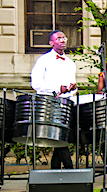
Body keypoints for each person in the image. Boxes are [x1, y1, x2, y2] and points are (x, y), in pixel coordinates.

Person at [31, 30, 77, 170]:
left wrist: (72, 88)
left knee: (62, 137)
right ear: (51, 43)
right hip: (50, 103)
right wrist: (57, 89)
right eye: (58, 38)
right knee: (59, 137)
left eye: (64, 37)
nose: (62, 40)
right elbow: (36, 84)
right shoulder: (43, 60)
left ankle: (55, 170)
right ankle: (70, 169)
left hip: (66, 104)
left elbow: (72, 87)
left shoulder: (70, 63)